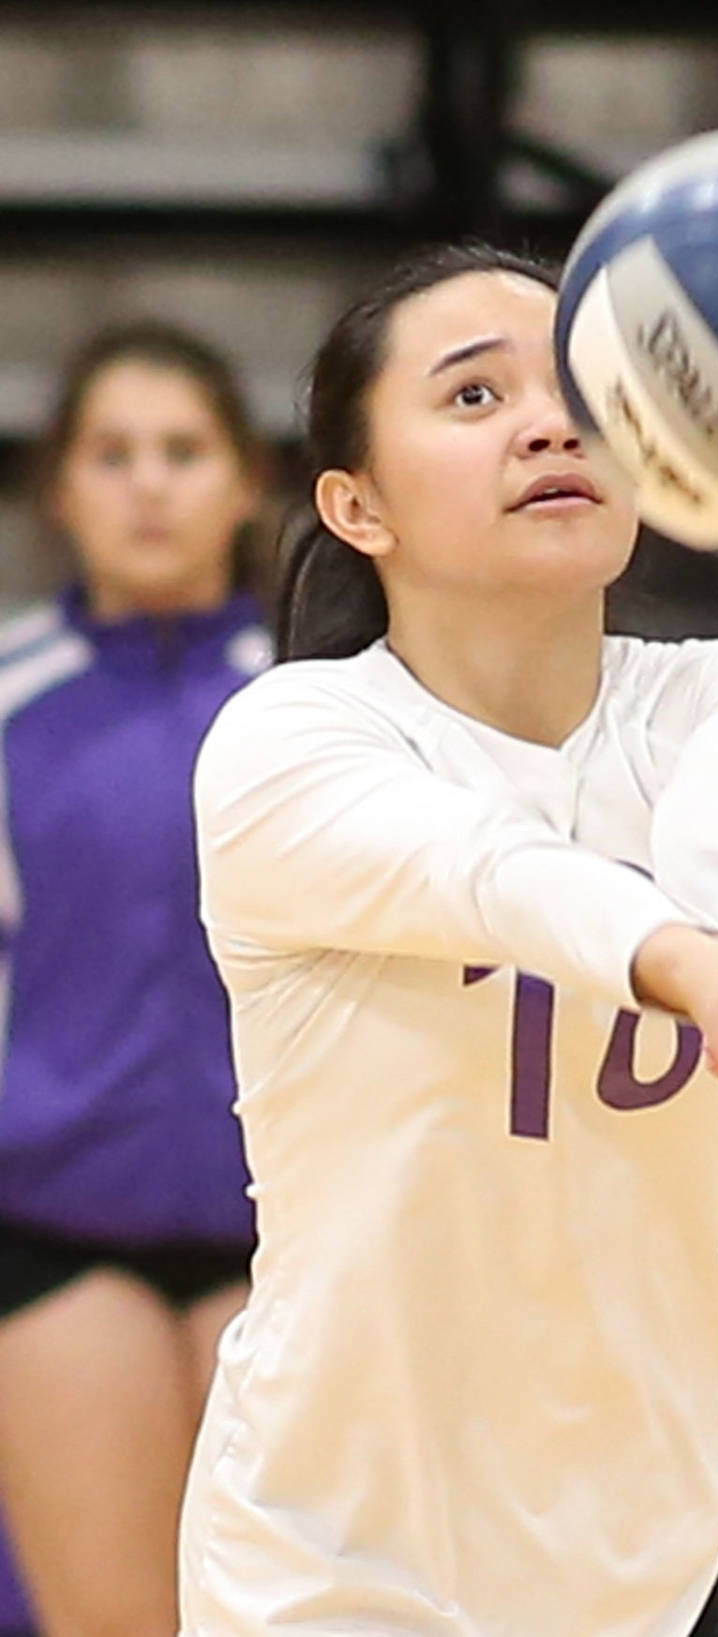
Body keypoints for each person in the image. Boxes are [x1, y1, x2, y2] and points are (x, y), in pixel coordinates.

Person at [181, 242, 718, 1637]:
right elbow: (494, 875)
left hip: (648, 1574)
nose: (552, 423)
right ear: (355, 504)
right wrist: (697, 963)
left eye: (586, 391)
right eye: (473, 397)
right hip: (337, 1579)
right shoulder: (290, 740)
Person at [0, 322, 271, 1637]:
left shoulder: (329, 711)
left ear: (247, 481)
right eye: (113, 454)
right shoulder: (6, 702)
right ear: (61, 489)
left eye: (183, 450)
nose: (150, 483)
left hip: (288, 1250)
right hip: (52, 1238)